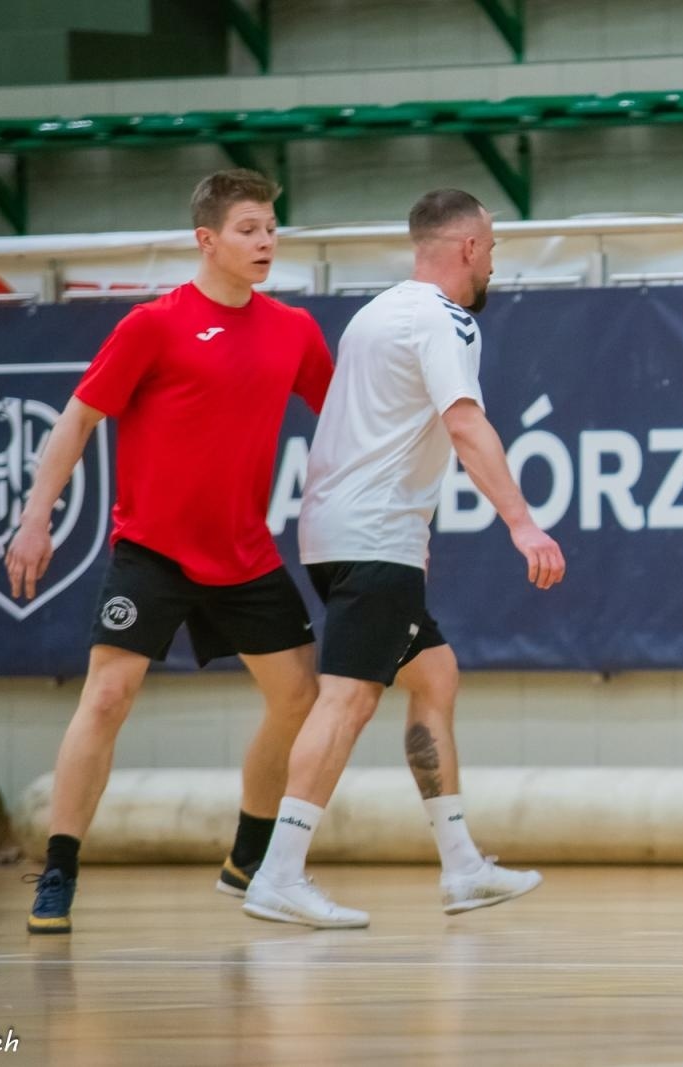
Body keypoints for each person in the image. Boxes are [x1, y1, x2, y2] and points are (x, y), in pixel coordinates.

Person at [6, 169, 334, 933]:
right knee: (109, 697)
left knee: (299, 698)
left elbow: (350, 414)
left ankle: (247, 857)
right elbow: (77, 420)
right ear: (207, 239)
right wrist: (34, 517)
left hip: (246, 554)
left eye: (271, 229)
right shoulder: (153, 325)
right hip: (150, 549)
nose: (265, 242)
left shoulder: (293, 331)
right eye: (249, 229)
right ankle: (58, 870)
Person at [243, 189, 565, 929]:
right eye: (492, 248)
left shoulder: (375, 311)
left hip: (332, 530)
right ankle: (279, 872)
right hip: (377, 535)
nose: (492, 263)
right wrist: (522, 524)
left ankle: (461, 867)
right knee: (348, 698)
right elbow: (465, 422)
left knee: (434, 673)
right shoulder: (444, 319)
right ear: (469, 249)